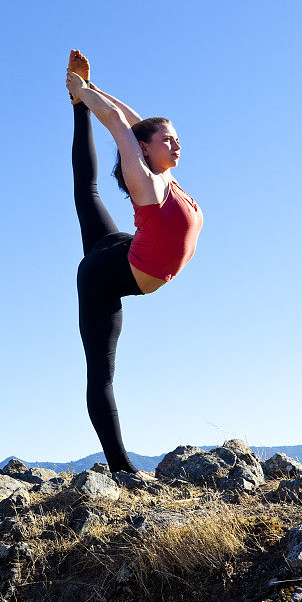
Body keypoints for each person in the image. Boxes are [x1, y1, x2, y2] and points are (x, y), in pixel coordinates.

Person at [66, 49, 203, 480]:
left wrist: (90, 88)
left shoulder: (167, 176)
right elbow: (121, 126)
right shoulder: (143, 177)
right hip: (106, 275)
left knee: (87, 198)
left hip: (125, 249)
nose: (177, 143)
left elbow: (134, 120)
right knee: (102, 372)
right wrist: (84, 94)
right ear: (144, 149)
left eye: (176, 137)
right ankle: (122, 468)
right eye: (168, 140)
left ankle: (75, 108)